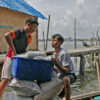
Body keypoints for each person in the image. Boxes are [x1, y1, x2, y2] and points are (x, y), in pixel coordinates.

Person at [0, 17, 38, 97]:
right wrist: (14, 51)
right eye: (34, 27)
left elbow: (24, 49)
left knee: (21, 79)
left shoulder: (29, 37)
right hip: (10, 57)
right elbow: (7, 35)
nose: (35, 29)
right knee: (5, 79)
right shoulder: (19, 31)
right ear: (28, 24)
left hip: (19, 60)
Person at [51, 34, 77, 100]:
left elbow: (66, 71)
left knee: (66, 79)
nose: (52, 42)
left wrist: (56, 64)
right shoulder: (54, 54)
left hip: (70, 75)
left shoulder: (63, 53)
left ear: (60, 43)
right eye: (52, 40)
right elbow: (56, 70)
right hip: (60, 76)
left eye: (54, 40)